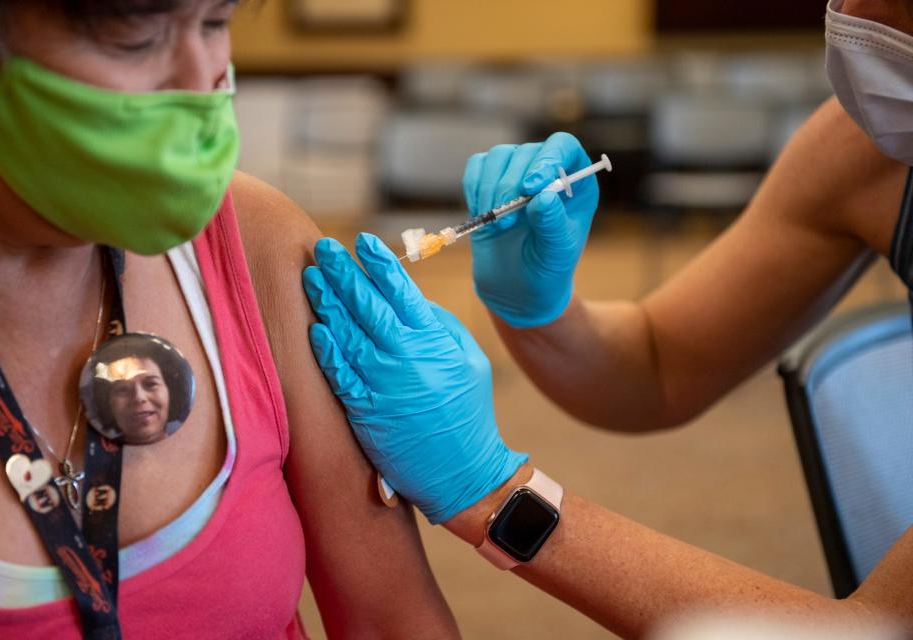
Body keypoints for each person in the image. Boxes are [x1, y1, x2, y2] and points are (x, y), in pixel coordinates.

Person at [303, 0, 913, 637]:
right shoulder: (868, 149)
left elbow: (878, 630)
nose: (846, 9)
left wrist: (491, 490)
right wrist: (539, 311)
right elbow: (659, 364)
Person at [0, 1, 459, 638]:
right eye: (134, 27)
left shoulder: (256, 245)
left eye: (215, 22)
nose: (201, 79)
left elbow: (392, 620)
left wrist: (496, 488)